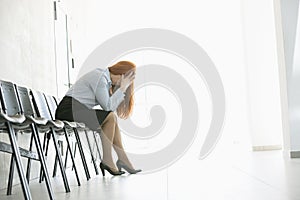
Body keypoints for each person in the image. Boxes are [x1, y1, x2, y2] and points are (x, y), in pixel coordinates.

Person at [55, 61, 141, 176]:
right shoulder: (100, 77)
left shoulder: (106, 81)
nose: (123, 85)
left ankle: (122, 158)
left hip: (78, 109)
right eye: (125, 81)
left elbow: (110, 108)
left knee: (112, 118)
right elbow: (108, 106)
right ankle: (108, 159)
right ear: (121, 75)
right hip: (68, 110)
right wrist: (122, 88)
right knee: (110, 117)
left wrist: (121, 89)